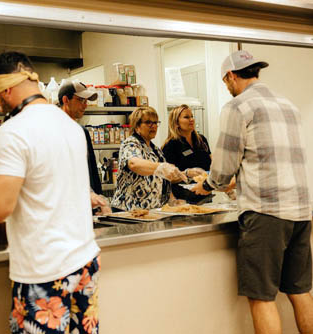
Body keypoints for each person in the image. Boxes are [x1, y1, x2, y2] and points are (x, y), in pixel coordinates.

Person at [192, 50, 313, 334]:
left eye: (225, 81)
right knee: (300, 291)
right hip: (301, 212)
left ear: (231, 76)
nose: (227, 87)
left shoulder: (238, 107)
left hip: (266, 214)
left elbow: (223, 167)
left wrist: (206, 185)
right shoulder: (288, 105)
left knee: (261, 297)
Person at [0, 51, 101, 334]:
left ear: (6, 89)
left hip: (44, 269)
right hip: (85, 261)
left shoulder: (13, 131)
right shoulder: (71, 127)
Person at [111, 106, 186, 211]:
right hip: (129, 210)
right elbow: (134, 163)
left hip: (150, 210)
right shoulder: (131, 143)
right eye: (148, 123)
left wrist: (172, 200)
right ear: (137, 126)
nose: (153, 126)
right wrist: (161, 167)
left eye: (156, 123)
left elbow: (163, 180)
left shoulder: (156, 150)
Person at [58, 79, 111, 214]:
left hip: (87, 206)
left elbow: (91, 169)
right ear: (65, 100)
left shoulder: (82, 131)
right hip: (65, 207)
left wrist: (99, 198)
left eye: (86, 101)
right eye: (80, 100)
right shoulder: (54, 130)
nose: (85, 105)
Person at [162, 104, 212, 204]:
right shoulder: (170, 145)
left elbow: (212, 163)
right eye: (186, 117)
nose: (191, 120)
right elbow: (167, 178)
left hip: (205, 194)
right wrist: (187, 173)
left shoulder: (201, 140)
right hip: (183, 198)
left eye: (192, 116)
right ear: (176, 123)